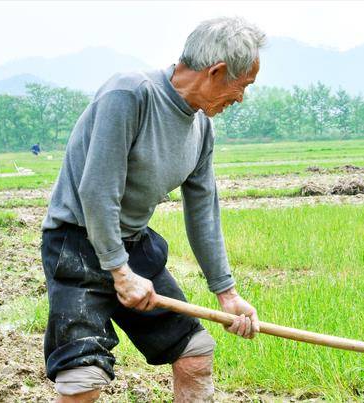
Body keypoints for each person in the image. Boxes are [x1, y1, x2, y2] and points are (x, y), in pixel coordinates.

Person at [40, 17, 265, 402]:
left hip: (133, 244)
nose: (240, 98)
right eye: (242, 86)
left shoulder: (201, 128)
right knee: (83, 377)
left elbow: (203, 211)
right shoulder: (130, 95)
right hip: (76, 245)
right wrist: (119, 271)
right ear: (217, 71)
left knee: (195, 353)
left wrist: (226, 293)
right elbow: (97, 191)